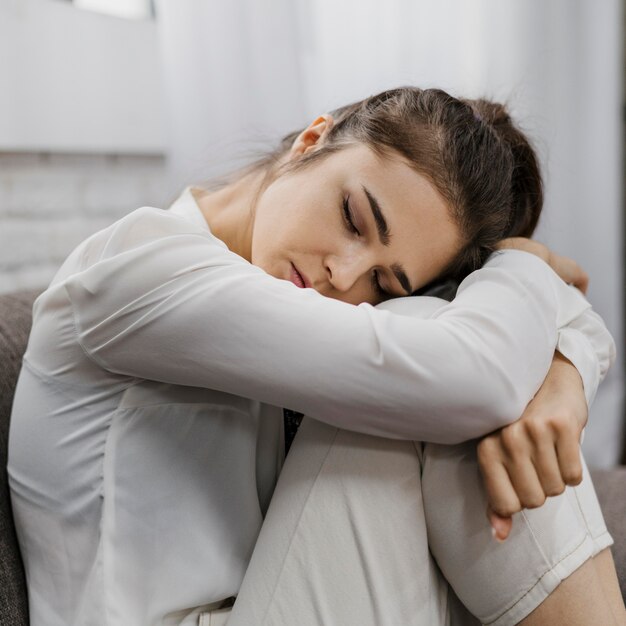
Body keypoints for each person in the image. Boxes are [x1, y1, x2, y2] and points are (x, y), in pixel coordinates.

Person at [7, 87, 623, 626]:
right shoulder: (141, 267)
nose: (345, 275)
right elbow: (473, 376)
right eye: (354, 218)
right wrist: (524, 264)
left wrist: (566, 373)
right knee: (430, 357)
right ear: (312, 139)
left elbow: (481, 361)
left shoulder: (286, 308)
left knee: (433, 358)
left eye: (384, 282)